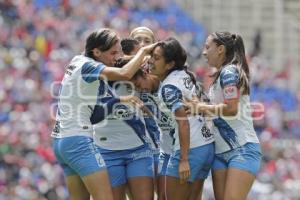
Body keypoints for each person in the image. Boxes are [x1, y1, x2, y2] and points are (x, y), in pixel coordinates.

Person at [51, 28, 155, 200]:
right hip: (78, 141)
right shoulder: (89, 66)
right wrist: (144, 51)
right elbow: (125, 73)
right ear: (97, 51)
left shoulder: (78, 60)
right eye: (113, 53)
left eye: (118, 52)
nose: (116, 57)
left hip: (61, 141)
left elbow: (95, 116)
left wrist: (119, 100)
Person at [184, 32, 262, 200]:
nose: (203, 52)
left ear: (220, 49)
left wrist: (201, 107)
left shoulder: (229, 72)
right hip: (220, 153)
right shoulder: (219, 76)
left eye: (207, 47)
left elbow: (231, 108)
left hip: (242, 150)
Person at [149, 37, 215, 200]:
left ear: (170, 64)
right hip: (206, 145)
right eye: (151, 56)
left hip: (190, 150)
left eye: (156, 58)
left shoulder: (168, 88)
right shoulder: (183, 74)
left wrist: (184, 160)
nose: (150, 61)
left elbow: (183, 123)